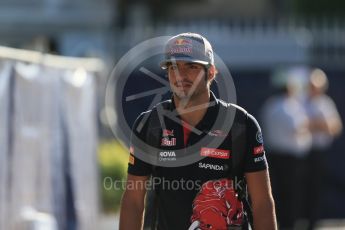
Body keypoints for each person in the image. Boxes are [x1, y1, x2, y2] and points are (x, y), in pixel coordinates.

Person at [119, 32, 277, 230]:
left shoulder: (240, 125)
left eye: (191, 67)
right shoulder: (150, 124)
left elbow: (262, 202)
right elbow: (133, 201)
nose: (181, 75)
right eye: (173, 67)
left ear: (211, 72)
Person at [260, 70, 312, 229]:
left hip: (274, 156)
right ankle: (289, 225)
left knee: (278, 194)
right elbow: (298, 128)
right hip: (290, 159)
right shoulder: (289, 107)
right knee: (291, 195)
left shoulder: (270, 105)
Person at [302, 68, 343, 230]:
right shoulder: (301, 101)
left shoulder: (326, 103)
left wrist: (317, 124)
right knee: (301, 188)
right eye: (311, 86)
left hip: (320, 152)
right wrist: (319, 124)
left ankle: (313, 222)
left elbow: (335, 127)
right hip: (302, 152)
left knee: (316, 187)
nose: (314, 89)